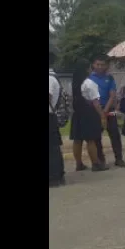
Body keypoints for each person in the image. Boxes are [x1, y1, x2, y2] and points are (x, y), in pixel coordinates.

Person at [69, 59, 108, 172]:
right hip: (88, 113)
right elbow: (95, 102)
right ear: (88, 69)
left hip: (78, 113)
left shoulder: (75, 83)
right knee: (91, 139)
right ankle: (95, 163)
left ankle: (79, 163)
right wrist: (102, 115)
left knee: (77, 140)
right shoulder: (90, 83)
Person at [88, 54, 125, 168]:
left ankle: (118, 158)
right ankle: (101, 159)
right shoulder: (89, 79)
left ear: (106, 66)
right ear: (93, 65)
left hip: (109, 109)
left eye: (102, 64)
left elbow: (112, 95)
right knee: (96, 137)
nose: (100, 67)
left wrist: (105, 110)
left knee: (115, 134)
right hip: (95, 110)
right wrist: (99, 111)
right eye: (97, 64)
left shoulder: (109, 78)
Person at [49, 51, 66, 187]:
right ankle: (58, 175)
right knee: (53, 147)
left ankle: (55, 176)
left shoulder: (49, 78)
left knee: (52, 148)